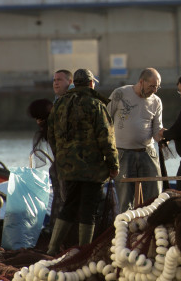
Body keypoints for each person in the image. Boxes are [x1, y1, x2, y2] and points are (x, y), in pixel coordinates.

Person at [46, 69, 119, 256]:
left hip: (68, 168)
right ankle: (84, 251)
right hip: (92, 169)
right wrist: (113, 165)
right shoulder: (96, 105)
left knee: (69, 205)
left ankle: (53, 248)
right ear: (90, 83)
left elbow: (51, 135)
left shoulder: (60, 104)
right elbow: (106, 139)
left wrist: (62, 157)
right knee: (88, 208)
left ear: (74, 83)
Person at [108, 68, 163, 211]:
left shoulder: (156, 102)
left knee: (155, 197)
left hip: (147, 152)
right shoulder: (120, 94)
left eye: (157, 87)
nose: (155, 90)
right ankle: (125, 230)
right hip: (123, 154)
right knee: (126, 201)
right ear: (141, 82)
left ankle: (152, 228)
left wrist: (164, 137)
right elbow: (105, 120)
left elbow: (157, 130)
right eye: (152, 86)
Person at [27, 98, 62, 232]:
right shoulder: (55, 127)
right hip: (61, 170)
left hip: (56, 169)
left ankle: (53, 228)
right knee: (61, 201)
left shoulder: (47, 129)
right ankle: (56, 231)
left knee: (58, 201)